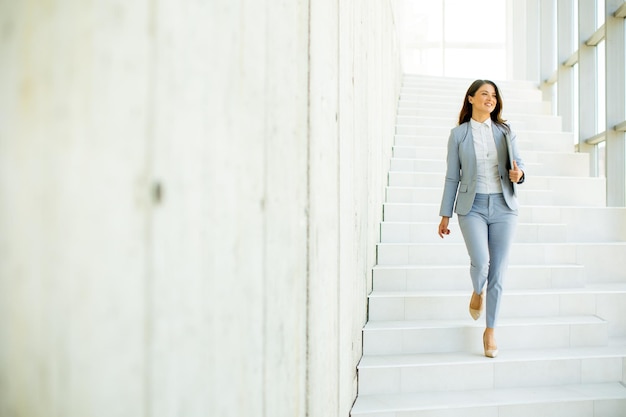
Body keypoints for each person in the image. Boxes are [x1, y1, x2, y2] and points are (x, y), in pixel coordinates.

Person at [437, 79, 525, 358]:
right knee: (482, 263)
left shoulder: (505, 132)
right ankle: (477, 291)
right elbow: (453, 175)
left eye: (494, 96)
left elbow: (519, 165)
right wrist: (444, 214)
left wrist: (518, 175)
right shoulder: (458, 135)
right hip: (471, 206)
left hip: (503, 207)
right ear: (471, 98)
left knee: (498, 271)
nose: (490, 99)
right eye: (484, 94)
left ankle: (490, 331)